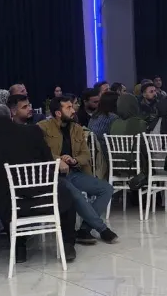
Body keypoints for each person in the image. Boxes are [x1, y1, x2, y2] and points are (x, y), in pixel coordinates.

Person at [0, 104, 77, 264]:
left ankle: (19, 247)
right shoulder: (32, 131)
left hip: (8, 204)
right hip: (44, 197)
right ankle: (68, 244)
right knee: (66, 193)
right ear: (10, 116)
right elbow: (47, 161)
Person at [38, 98, 119, 245]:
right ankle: (102, 229)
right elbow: (41, 152)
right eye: (68, 108)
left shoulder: (77, 129)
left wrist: (74, 160)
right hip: (54, 176)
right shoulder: (43, 127)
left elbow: (86, 155)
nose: (73, 110)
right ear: (58, 113)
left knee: (106, 188)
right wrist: (59, 159)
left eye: (72, 106)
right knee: (75, 194)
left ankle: (84, 230)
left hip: (73, 172)